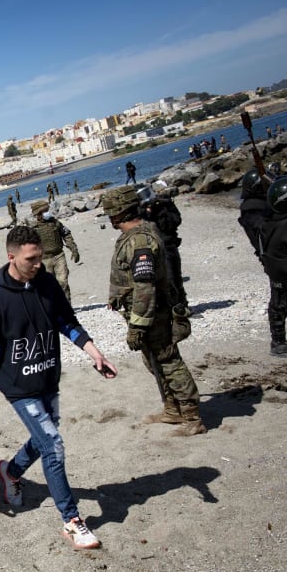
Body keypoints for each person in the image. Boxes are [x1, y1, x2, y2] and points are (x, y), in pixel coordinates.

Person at [0, 226, 115, 550]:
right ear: (12, 257)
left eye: (40, 257)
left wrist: (96, 355)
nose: (39, 263)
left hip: (48, 378)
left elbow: (66, 322)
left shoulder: (47, 283)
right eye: (31, 259)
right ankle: (72, 521)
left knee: (46, 435)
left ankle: (10, 472)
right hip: (17, 386)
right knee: (53, 445)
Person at [102, 185, 205, 434]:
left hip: (152, 315)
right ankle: (172, 408)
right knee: (154, 362)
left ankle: (192, 417)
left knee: (169, 362)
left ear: (117, 214)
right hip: (146, 313)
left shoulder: (139, 240)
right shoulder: (139, 234)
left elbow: (145, 286)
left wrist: (137, 325)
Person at [253, 175, 287, 356]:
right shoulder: (283, 225)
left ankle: (278, 341)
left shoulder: (267, 222)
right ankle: (278, 342)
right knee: (279, 304)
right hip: (283, 269)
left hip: (275, 269)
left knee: (278, 304)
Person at [138, 185, 189, 311]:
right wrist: (146, 210)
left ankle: (182, 306)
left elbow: (176, 221)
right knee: (169, 279)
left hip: (169, 244)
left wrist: (162, 207)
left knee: (176, 277)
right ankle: (177, 309)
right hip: (157, 248)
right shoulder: (142, 212)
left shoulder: (164, 205)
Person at [29, 200, 80, 303]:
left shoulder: (55, 223)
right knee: (48, 285)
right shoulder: (33, 228)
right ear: (38, 214)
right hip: (44, 260)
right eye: (44, 211)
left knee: (63, 281)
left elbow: (66, 234)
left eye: (47, 210)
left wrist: (73, 249)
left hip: (59, 256)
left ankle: (67, 306)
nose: (47, 213)